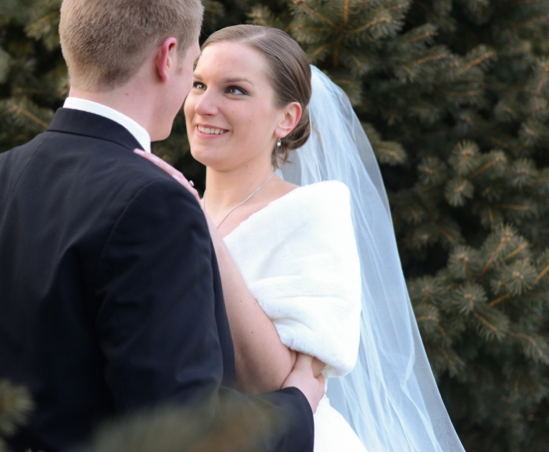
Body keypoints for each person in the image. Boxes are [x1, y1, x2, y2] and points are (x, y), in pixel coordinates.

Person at [0, 0, 324, 451]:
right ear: (167, 58)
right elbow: (176, 428)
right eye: (193, 66)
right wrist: (296, 406)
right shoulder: (152, 202)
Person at [138, 25, 464, 451]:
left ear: (287, 118)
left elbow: (274, 384)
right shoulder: (166, 209)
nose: (205, 105)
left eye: (234, 90)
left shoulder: (313, 213)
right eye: (199, 84)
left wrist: (200, 228)